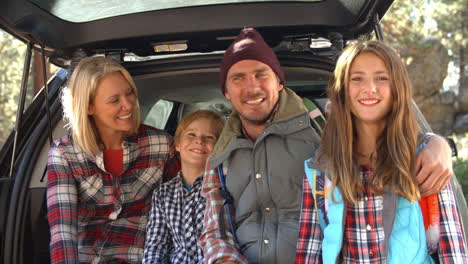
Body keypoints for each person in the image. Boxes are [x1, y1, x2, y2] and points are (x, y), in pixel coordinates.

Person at [199, 28, 455, 264]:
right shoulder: (220, 156)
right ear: (226, 91)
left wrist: (434, 143)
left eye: (260, 74)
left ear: (279, 82)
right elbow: (214, 228)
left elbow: (377, 127)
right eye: (238, 78)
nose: (251, 87)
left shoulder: (319, 126)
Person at [295, 40, 467, 263]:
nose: (370, 88)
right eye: (357, 79)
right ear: (341, 91)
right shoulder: (319, 171)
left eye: (382, 78)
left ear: (398, 89)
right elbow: (309, 254)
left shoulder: (425, 160)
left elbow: (452, 252)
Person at [46, 56, 179, 263]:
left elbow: (179, 210)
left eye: (129, 94)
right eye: (114, 100)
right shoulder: (64, 153)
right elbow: (63, 233)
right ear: (89, 107)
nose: (128, 105)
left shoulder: (161, 144)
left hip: (145, 256)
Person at [143, 110, 225, 263]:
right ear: (178, 145)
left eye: (209, 137)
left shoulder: (224, 189)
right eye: (191, 135)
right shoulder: (162, 193)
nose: (199, 141)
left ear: (219, 150)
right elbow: (156, 245)